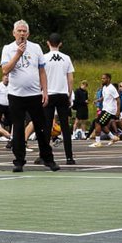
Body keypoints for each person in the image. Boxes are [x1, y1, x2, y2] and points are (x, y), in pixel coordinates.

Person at [0, 20, 59, 172]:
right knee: (18, 129)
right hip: (16, 95)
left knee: (41, 128)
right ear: (14, 33)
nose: (21, 33)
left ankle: (48, 158)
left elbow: (42, 71)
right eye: (19, 31)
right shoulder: (8, 48)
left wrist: (45, 91)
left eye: (24, 31)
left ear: (28, 33)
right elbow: (5, 70)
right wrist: (18, 54)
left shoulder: (36, 48)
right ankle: (19, 160)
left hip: (34, 94)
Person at [42, 34, 76, 165]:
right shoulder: (66, 58)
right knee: (65, 127)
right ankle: (69, 157)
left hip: (49, 94)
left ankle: (44, 156)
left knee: (47, 126)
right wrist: (69, 93)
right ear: (60, 44)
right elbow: (70, 78)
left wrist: (42, 92)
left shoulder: (44, 58)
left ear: (48, 43)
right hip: (62, 94)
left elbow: (41, 77)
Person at [88, 74, 122, 147]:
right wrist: (98, 100)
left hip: (109, 110)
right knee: (102, 125)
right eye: (102, 78)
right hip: (105, 109)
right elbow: (104, 97)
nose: (102, 80)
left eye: (104, 78)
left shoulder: (111, 88)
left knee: (97, 122)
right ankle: (113, 137)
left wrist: (118, 111)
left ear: (108, 79)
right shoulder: (104, 87)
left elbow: (118, 99)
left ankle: (98, 142)